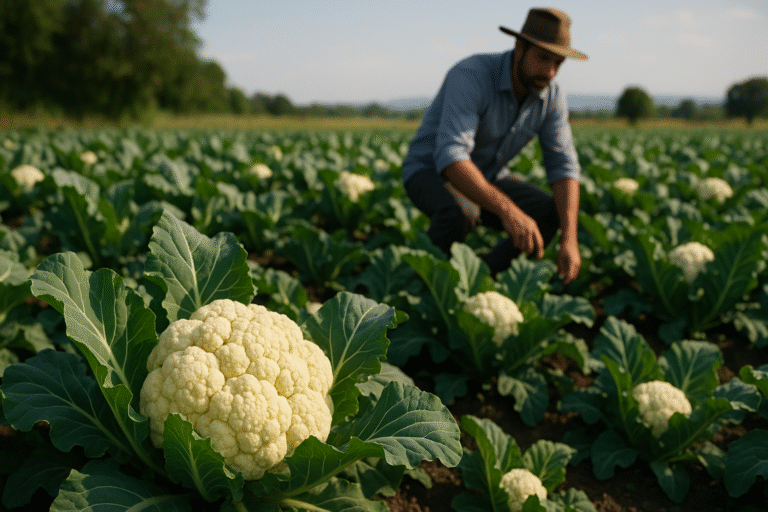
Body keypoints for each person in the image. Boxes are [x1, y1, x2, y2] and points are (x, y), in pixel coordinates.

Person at [401, 7, 587, 285]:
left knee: (550, 214)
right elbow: (452, 157)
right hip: (429, 171)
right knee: (462, 212)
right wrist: (508, 211)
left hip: (486, 175)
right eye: (543, 58)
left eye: (558, 63)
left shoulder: (552, 96)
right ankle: (416, 286)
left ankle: (481, 280)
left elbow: (564, 168)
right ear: (519, 47)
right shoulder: (471, 76)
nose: (550, 71)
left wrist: (570, 240)